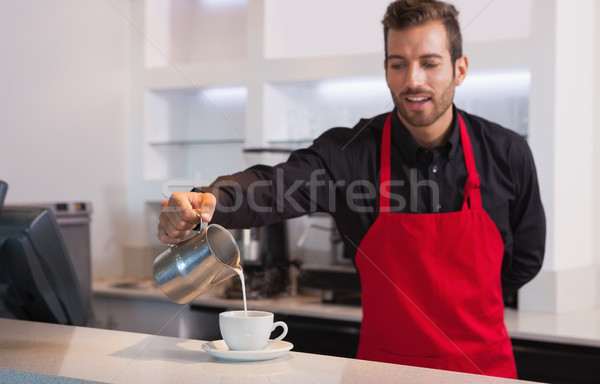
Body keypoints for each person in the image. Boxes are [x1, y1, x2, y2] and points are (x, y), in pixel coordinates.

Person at [157, 0, 545, 379]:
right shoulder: (351, 151)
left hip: (482, 371)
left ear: (459, 69)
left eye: (429, 62)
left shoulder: (506, 153)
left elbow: (524, 260)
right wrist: (209, 201)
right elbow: (276, 185)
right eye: (399, 64)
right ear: (386, 69)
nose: (413, 80)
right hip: (382, 370)